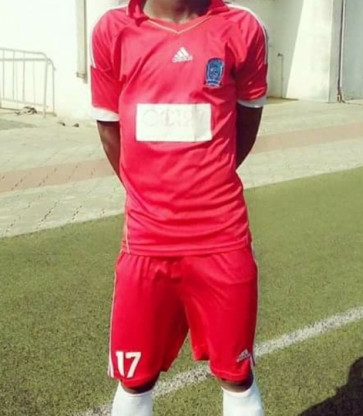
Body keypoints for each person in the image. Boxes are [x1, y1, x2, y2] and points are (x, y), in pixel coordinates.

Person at [90, 0, 268, 414]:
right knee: (135, 378)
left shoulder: (242, 28)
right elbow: (109, 126)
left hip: (222, 236)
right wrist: (150, 194)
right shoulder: (113, 30)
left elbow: (244, 128)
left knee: (237, 376)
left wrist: (206, 182)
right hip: (146, 240)